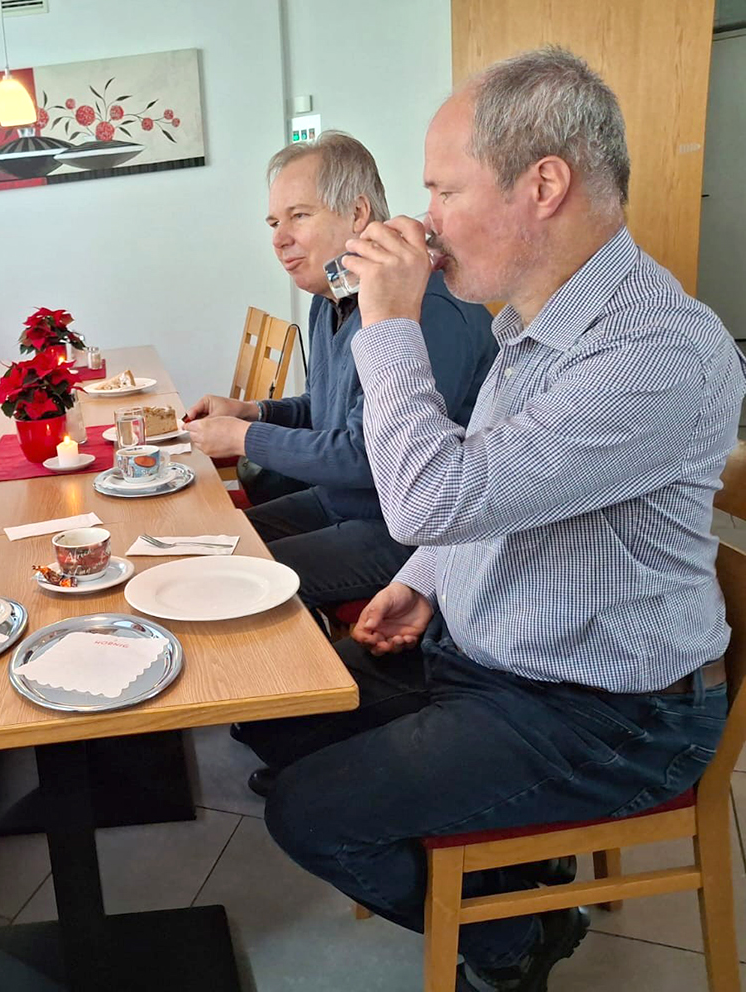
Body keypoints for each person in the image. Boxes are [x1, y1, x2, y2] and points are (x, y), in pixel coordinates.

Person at [239, 48, 746, 992]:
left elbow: (431, 494)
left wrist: (387, 319)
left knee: (308, 813)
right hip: (492, 656)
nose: (423, 219)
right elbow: (480, 489)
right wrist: (419, 580)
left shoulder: (657, 352)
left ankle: (515, 937)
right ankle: (511, 871)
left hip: (608, 715)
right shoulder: (530, 323)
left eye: (441, 188)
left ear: (543, 184)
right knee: (278, 715)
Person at [185, 132, 496, 608]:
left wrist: (241, 439)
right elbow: (326, 407)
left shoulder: (422, 305)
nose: (278, 238)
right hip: (339, 502)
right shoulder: (329, 299)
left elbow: (367, 454)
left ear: (357, 213)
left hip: (407, 539)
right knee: (207, 547)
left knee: (227, 584)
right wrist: (254, 411)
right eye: (273, 222)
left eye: (299, 216)